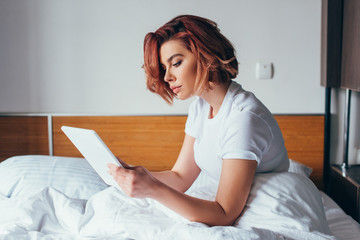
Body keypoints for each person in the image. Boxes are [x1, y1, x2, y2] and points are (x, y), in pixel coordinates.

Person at [108, 15, 289, 226]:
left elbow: (224, 213)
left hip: (269, 211)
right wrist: (137, 175)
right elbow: (180, 177)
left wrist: (153, 189)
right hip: (241, 207)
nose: (167, 78)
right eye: (165, 68)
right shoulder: (200, 108)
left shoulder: (243, 118)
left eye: (176, 63)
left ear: (205, 55)